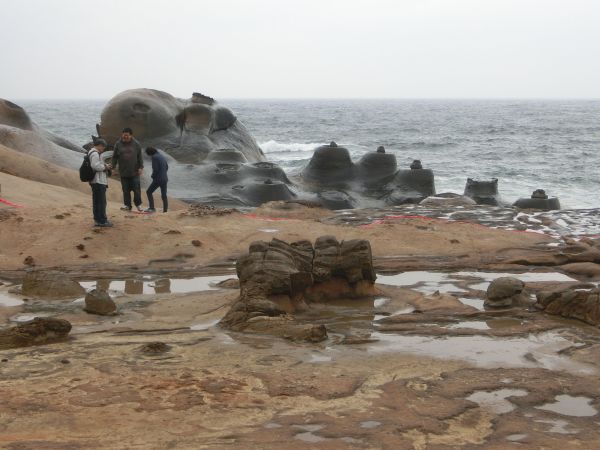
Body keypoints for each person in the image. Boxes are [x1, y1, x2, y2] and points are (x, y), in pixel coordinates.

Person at [111, 127, 144, 211]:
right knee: (125, 190)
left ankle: (138, 205)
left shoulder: (136, 144)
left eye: (127, 135)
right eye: (124, 135)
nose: (125, 137)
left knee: (136, 190)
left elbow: (140, 156)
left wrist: (141, 167)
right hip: (123, 171)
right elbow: (114, 157)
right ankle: (127, 206)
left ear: (131, 135)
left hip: (134, 171)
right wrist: (113, 167)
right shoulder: (118, 144)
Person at [88, 139, 113, 227]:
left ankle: (97, 220)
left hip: (95, 181)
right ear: (100, 145)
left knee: (97, 201)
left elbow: (95, 165)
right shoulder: (95, 153)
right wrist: (105, 167)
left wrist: (104, 165)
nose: (103, 149)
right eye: (103, 147)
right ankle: (102, 221)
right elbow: (96, 166)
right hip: (98, 181)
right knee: (101, 202)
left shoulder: (91, 152)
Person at [145, 147, 169, 213]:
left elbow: (156, 169)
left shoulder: (154, 157)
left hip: (158, 179)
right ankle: (165, 210)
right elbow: (167, 167)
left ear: (150, 153)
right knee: (164, 194)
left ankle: (152, 208)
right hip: (165, 178)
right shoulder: (161, 156)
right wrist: (163, 173)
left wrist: (153, 176)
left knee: (149, 192)